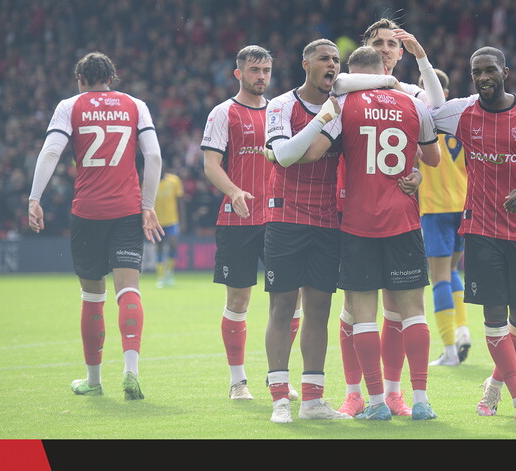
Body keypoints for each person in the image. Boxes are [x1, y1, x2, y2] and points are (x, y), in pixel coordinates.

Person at [431, 46, 516, 420]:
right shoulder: (462, 111)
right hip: (480, 226)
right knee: (494, 313)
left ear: (505, 71)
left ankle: (494, 384)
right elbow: (422, 117)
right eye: (477, 72)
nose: (483, 78)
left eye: (490, 70)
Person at [27, 51, 163, 401]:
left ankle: (93, 380)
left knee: (92, 297)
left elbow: (51, 152)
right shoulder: (136, 105)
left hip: (87, 212)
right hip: (127, 210)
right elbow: (154, 156)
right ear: (112, 79)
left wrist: (34, 198)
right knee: (128, 291)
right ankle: (131, 371)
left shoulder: (69, 106)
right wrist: (148, 206)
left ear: (80, 80)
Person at [332, 18, 448, 417]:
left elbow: (438, 114)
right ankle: (355, 392)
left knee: (389, 310)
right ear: (367, 49)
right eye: (377, 42)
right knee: (354, 309)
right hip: (359, 204)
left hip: (372, 209)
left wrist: (417, 171)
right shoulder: (406, 100)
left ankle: (389, 393)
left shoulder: (411, 94)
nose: (384, 48)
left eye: (390, 44)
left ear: (399, 54)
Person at [262, 38, 365, 423]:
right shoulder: (281, 105)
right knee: (283, 306)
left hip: (326, 222)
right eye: (324, 58)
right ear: (305, 63)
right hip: (286, 219)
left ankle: (312, 400)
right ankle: (279, 400)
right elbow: (285, 156)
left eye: (337, 60)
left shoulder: (341, 106)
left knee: (319, 310)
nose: (332, 65)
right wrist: (322, 119)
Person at [201, 45, 299, 401]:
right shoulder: (223, 113)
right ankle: (237, 380)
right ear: (238, 73)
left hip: (279, 219)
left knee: (290, 300)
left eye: (266, 70)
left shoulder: (279, 111)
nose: (261, 76)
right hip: (237, 219)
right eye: (255, 70)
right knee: (239, 300)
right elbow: (211, 165)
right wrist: (235, 191)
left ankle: (279, 378)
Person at [417, 69, 471, 367]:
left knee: (438, 276)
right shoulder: (459, 127)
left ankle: (450, 350)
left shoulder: (420, 123)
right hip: (461, 207)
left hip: (436, 209)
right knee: (452, 271)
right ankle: (462, 332)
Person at [154, 163, 185, 287]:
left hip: (172, 221)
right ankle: (161, 277)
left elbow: (180, 201)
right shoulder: (149, 182)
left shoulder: (174, 180)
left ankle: (169, 272)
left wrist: (183, 221)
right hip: (157, 222)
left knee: (173, 244)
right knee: (160, 247)